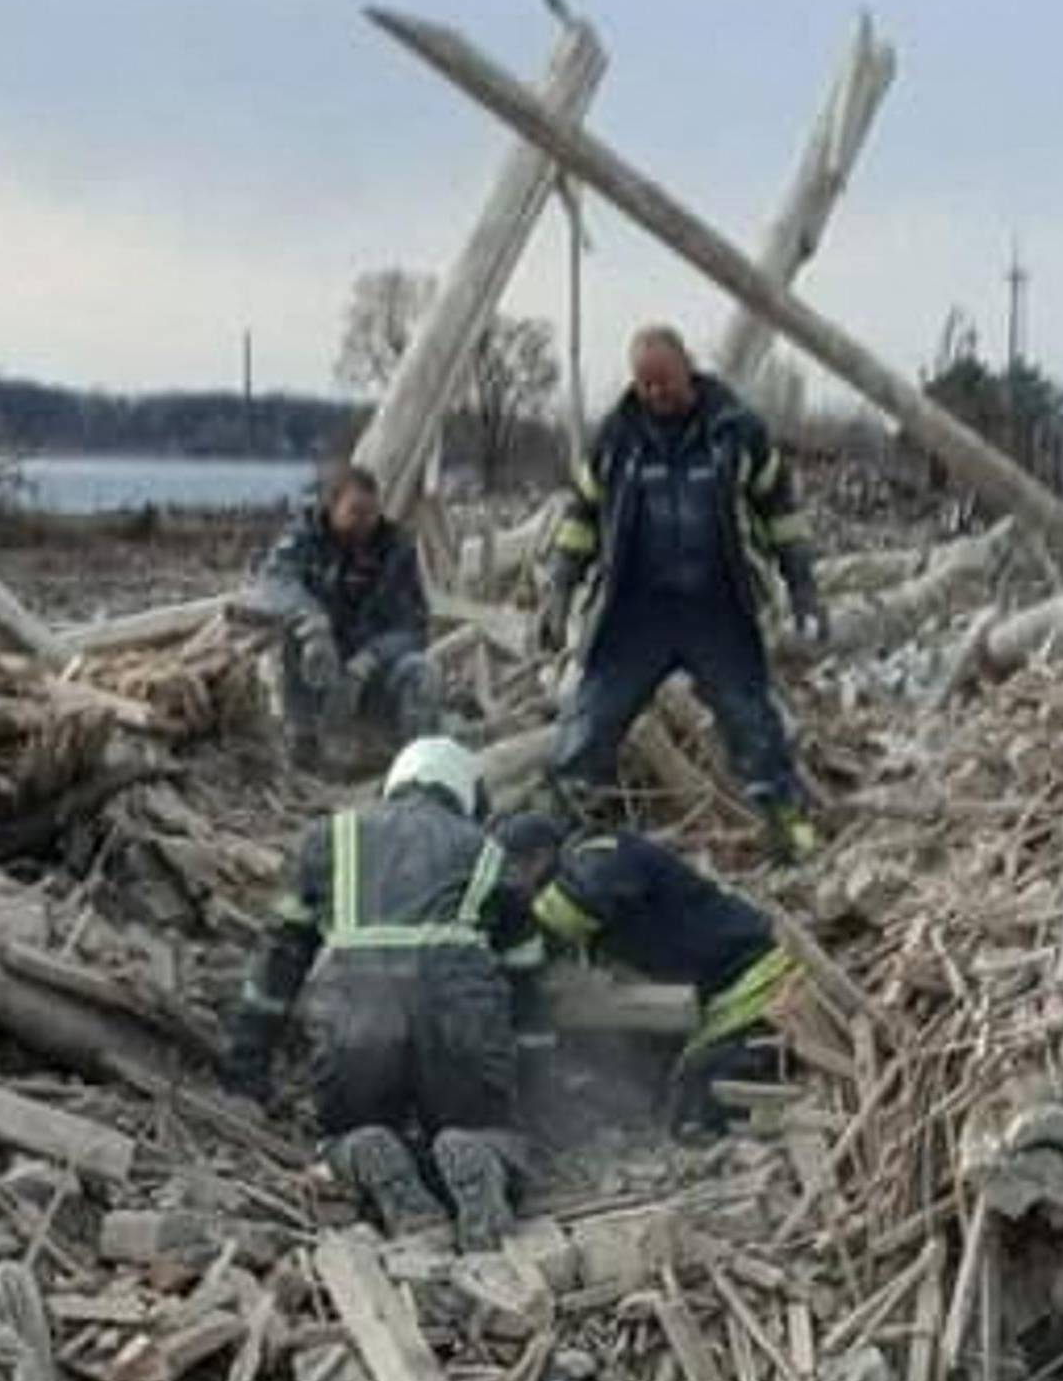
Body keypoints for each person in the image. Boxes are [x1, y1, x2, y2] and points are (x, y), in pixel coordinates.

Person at [226, 735, 540, 1242]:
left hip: (357, 1014)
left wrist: (247, 1069)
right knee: (485, 1132)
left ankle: (360, 1149)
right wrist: (533, 1081)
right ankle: (482, 1152)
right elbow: (526, 980)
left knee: (344, 1132)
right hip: (457, 1012)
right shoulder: (488, 851)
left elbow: (277, 962)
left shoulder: (329, 837)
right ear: (466, 795)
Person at [543, 326, 824, 849]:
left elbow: (781, 513)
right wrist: (560, 587)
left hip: (717, 609)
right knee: (590, 722)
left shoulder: (737, 432)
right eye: (645, 385)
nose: (655, 395)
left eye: (664, 383)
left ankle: (790, 828)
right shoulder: (615, 438)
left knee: (753, 721)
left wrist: (803, 585)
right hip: (635, 613)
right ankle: (556, 834)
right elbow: (580, 517)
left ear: (688, 369)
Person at [499, 814, 796, 1128]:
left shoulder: (602, 852)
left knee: (705, 1106)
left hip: (757, 981)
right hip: (723, 991)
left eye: (515, 872)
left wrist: (510, 940)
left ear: (541, 855)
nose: (516, 886)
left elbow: (576, 904)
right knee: (683, 1098)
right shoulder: (588, 869)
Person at [259, 460, 437, 758]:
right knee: (290, 640)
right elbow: (276, 581)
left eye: (371, 513)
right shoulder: (305, 537)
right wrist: (312, 620)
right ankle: (304, 745)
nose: (365, 522)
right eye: (355, 512)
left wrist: (369, 660)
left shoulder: (396, 549)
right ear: (332, 507)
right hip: (318, 665)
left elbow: (415, 626)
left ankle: (406, 759)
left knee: (421, 671)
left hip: (372, 668)